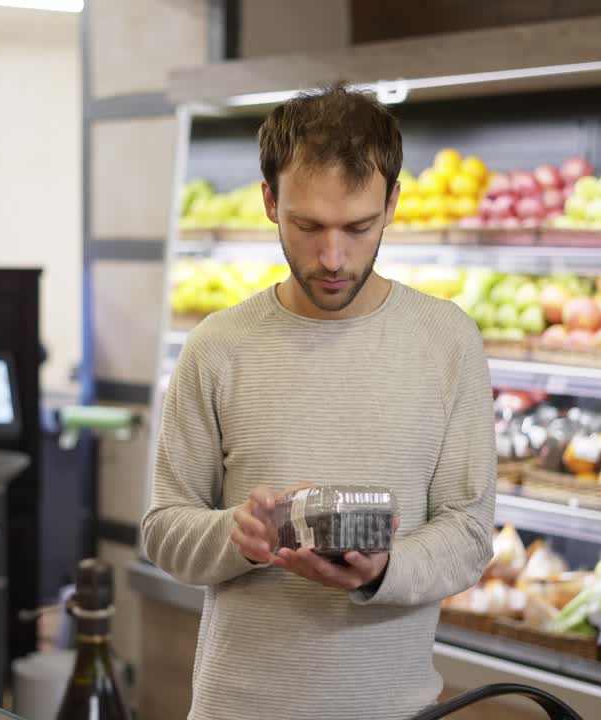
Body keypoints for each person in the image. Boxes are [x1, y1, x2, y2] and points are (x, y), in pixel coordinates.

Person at [141, 84, 496, 720]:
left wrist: (383, 570)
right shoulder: (216, 346)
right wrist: (238, 535)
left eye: (358, 227)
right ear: (271, 202)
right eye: (307, 226)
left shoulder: (448, 341)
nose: (332, 258)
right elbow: (165, 528)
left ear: (392, 203)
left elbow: (469, 533)